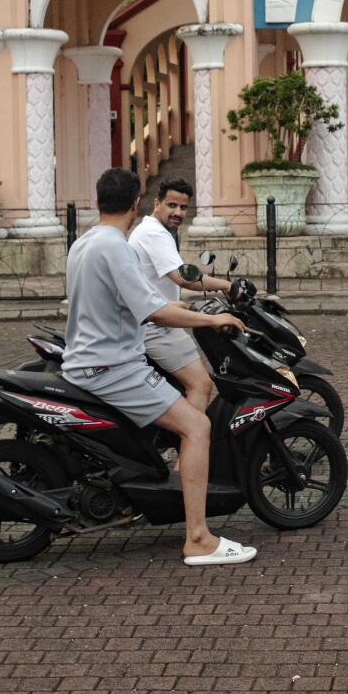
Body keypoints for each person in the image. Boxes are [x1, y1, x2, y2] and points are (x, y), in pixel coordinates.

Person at [64, 167, 255, 567]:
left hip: (85, 362)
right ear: (137, 203)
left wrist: (182, 308)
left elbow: (132, 301)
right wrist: (212, 319)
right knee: (198, 425)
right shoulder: (116, 247)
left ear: (99, 200)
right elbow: (152, 311)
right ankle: (199, 538)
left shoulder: (83, 244)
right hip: (114, 368)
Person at [128, 177, 231, 416]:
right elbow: (184, 277)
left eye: (183, 208)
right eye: (172, 205)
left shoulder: (154, 229)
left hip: (161, 315)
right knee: (201, 384)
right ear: (157, 203)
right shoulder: (155, 233)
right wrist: (227, 286)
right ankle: (191, 437)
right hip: (157, 324)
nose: (178, 212)